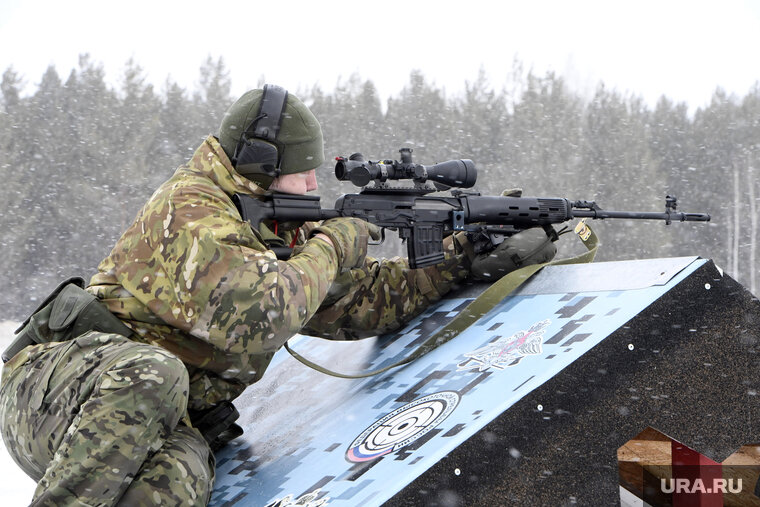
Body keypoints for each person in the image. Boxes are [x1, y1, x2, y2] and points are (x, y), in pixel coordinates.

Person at [0, 85, 557, 506]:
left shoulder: (272, 226)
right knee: (154, 373)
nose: (314, 185)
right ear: (260, 168)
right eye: (302, 172)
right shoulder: (193, 210)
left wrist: (462, 258)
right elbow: (265, 315)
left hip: (136, 431)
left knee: (181, 475)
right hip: (58, 394)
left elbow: (353, 306)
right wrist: (338, 241)